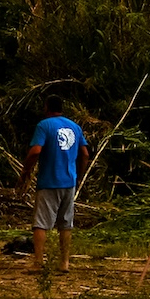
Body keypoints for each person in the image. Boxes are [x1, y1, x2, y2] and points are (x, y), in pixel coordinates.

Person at [16, 94, 89, 272]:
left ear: (46, 107)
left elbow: (35, 151)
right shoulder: (75, 127)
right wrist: (78, 175)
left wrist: (26, 171)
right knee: (65, 223)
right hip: (69, 182)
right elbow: (85, 154)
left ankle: (39, 262)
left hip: (49, 181)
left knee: (40, 223)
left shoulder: (44, 125)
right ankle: (64, 262)